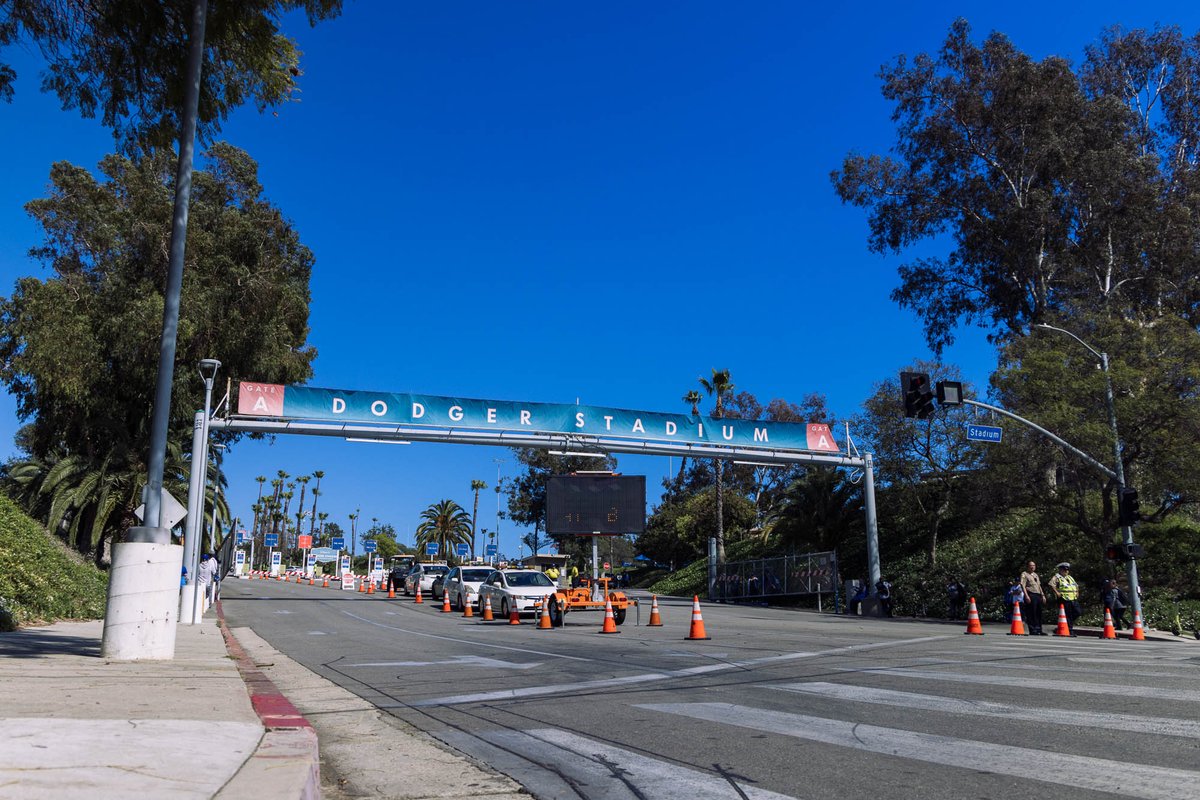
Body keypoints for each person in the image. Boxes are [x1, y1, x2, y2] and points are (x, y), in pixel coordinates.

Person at [1048, 562, 1081, 635]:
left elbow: (1076, 585)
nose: (1066, 571)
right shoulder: (1057, 577)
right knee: (1068, 615)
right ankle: (1069, 630)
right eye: (1064, 570)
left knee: (1078, 612)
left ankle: (1066, 625)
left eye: (1067, 570)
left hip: (1073, 598)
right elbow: (1051, 584)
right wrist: (1057, 593)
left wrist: (1077, 592)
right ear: (1060, 570)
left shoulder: (1070, 577)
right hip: (1064, 598)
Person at [1019, 560, 1046, 635]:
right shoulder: (1024, 574)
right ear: (1028, 566)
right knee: (1031, 613)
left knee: (1039, 613)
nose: (1032, 567)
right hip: (1030, 594)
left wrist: (1043, 595)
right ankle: (1033, 629)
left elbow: (1039, 586)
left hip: (1038, 595)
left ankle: (1039, 629)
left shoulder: (1035, 575)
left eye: (1034, 565)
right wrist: (1026, 595)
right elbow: (1023, 585)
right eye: (1031, 565)